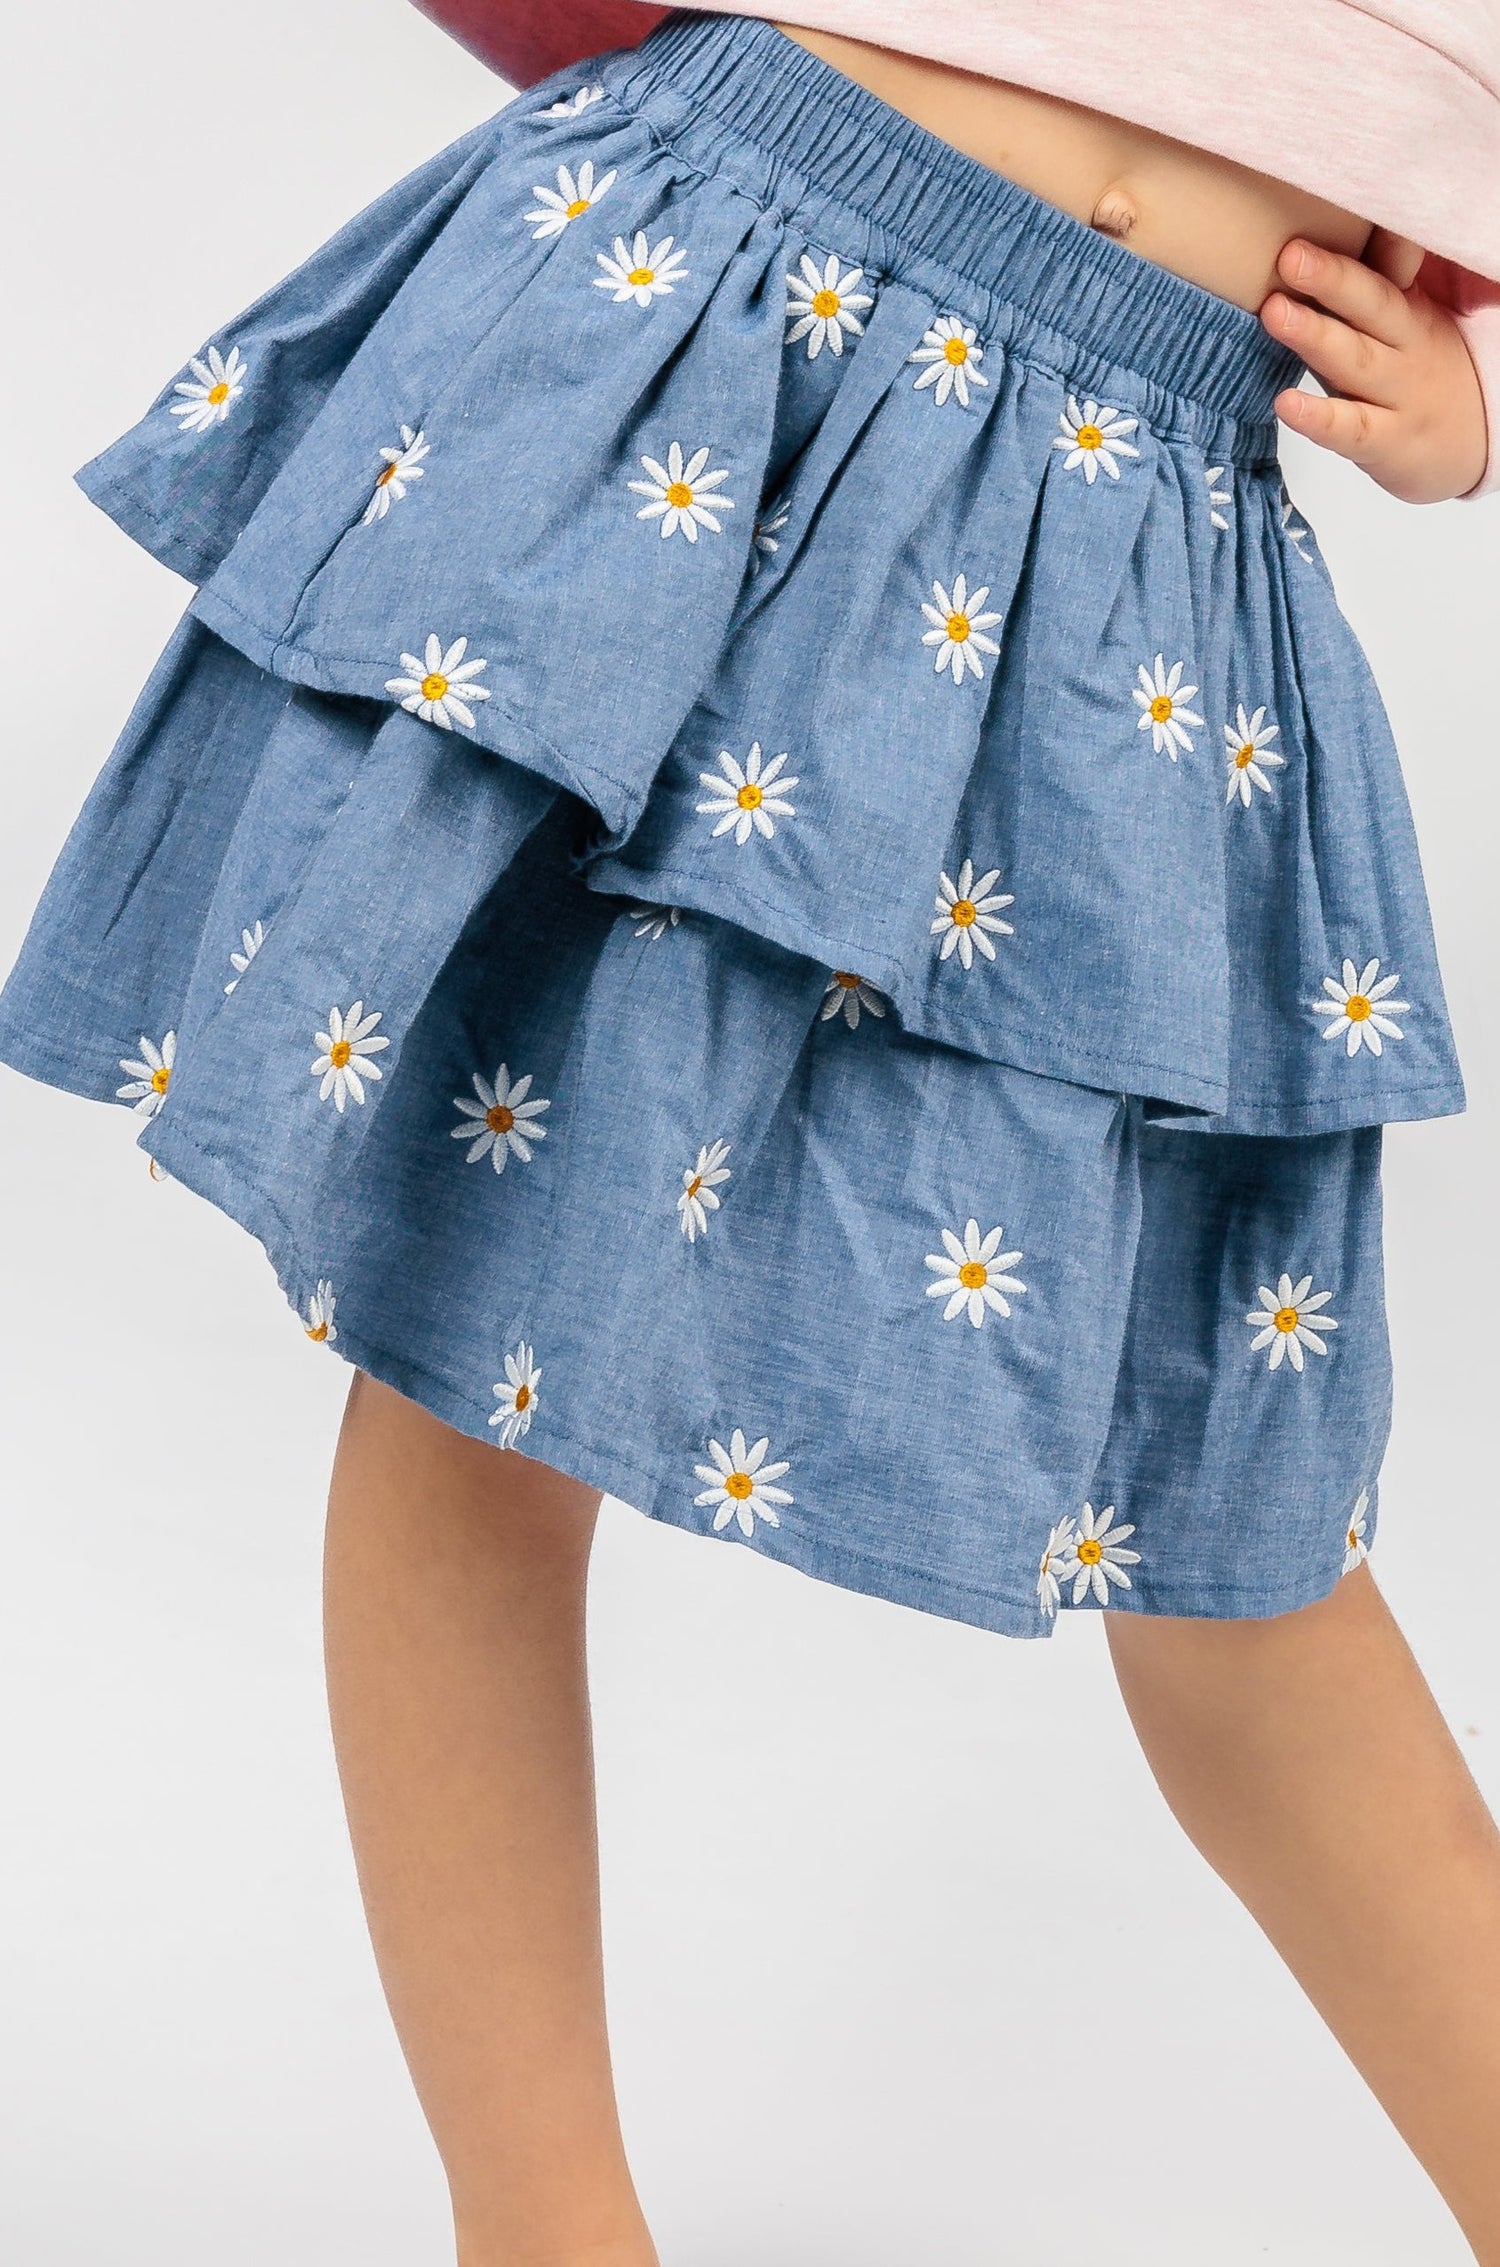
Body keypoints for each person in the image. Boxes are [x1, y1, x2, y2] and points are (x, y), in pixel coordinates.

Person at [2, 6, 1498, 2260]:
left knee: (1229, 1510)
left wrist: (1479, 395)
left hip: (1153, 522)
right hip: (731, 329)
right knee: (466, 1339)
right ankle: (548, 2239)